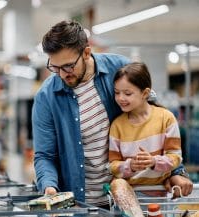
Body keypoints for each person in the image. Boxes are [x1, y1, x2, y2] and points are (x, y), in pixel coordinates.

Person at [32, 20, 192, 207]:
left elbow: (154, 120)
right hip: (79, 203)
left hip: (128, 199)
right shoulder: (47, 97)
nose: (61, 74)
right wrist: (49, 187)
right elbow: (45, 156)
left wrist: (176, 173)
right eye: (55, 67)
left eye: (68, 66)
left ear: (86, 52)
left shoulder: (120, 69)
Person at [109, 62, 185, 191]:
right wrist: (130, 165)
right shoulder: (117, 125)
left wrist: (154, 162)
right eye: (117, 92)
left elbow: (175, 157)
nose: (120, 98)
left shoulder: (166, 118)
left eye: (127, 93)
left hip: (162, 194)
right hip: (129, 195)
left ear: (145, 93)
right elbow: (112, 166)